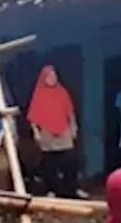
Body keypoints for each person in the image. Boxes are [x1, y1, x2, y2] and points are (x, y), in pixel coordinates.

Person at [27, 65, 86, 199]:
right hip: (47, 132)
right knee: (49, 163)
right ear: (44, 78)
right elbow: (33, 117)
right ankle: (51, 190)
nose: (52, 79)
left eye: (54, 76)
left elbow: (69, 112)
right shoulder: (39, 93)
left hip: (63, 130)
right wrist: (36, 132)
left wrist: (73, 127)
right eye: (49, 76)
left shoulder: (62, 91)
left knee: (70, 160)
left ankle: (71, 189)